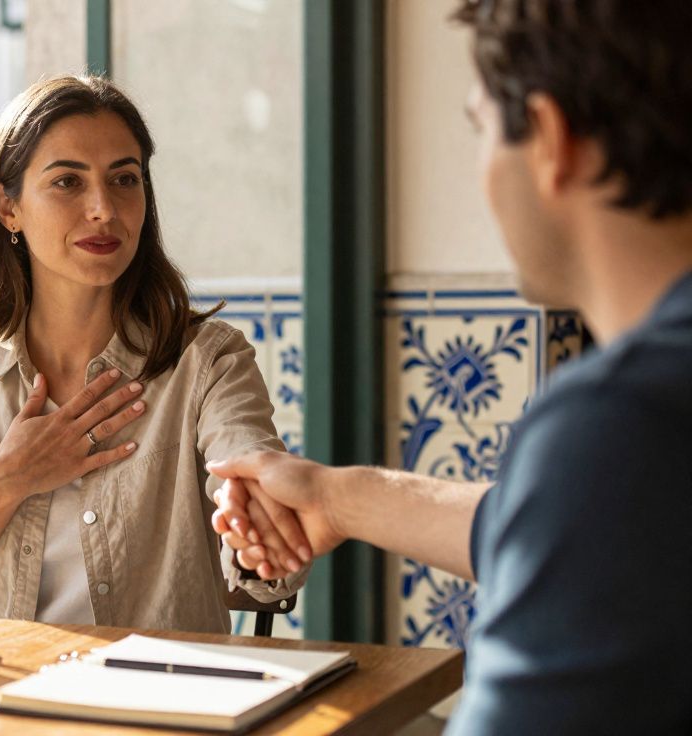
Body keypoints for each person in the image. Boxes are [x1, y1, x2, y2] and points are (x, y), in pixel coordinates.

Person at [210, 0, 692, 732]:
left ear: (551, 141)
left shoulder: (620, 426)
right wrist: (337, 497)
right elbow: (555, 524)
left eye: (482, 130)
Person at [0, 75, 308, 633]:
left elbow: (251, 480)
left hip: (158, 702)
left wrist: (260, 524)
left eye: (124, 178)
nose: (104, 208)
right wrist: (6, 479)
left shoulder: (209, 361)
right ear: (8, 208)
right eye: (67, 183)